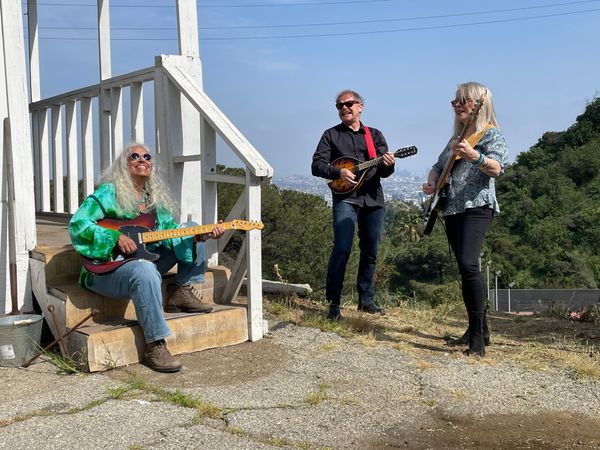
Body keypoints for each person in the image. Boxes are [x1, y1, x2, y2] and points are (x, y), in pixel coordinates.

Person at [69, 143, 224, 373]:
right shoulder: (109, 193)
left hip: (143, 262)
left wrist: (201, 235)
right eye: (135, 156)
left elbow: (170, 234)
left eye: (147, 156)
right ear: (124, 164)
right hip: (105, 269)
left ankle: (181, 291)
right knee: (144, 270)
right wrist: (114, 237)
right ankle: (155, 345)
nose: (142, 159)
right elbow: (78, 224)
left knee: (189, 228)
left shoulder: (152, 200)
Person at [422, 82, 508, 357]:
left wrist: (474, 156)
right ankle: (477, 329)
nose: (458, 105)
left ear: (480, 105)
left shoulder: (490, 134)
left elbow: (496, 168)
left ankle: (478, 341)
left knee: (470, 264)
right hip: (452, 207)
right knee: (464, 267)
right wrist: (432, 182)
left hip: (477, 206)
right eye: (455, 101)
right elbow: (438, 166)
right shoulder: (456, 137)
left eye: (464, 101)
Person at [312, 89, 395, 320]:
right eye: (340, 105)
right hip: (345, 198)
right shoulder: (331, 135)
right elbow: (316, 165)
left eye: (348, 104)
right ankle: (333, 305)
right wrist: (338, 172)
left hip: (373, 198)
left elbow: (384, 172)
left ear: (360, 106)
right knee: (341, 249)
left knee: (370, 250)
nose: (344, 108)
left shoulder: (374, 135)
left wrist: (388, 163)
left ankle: (366, 301)